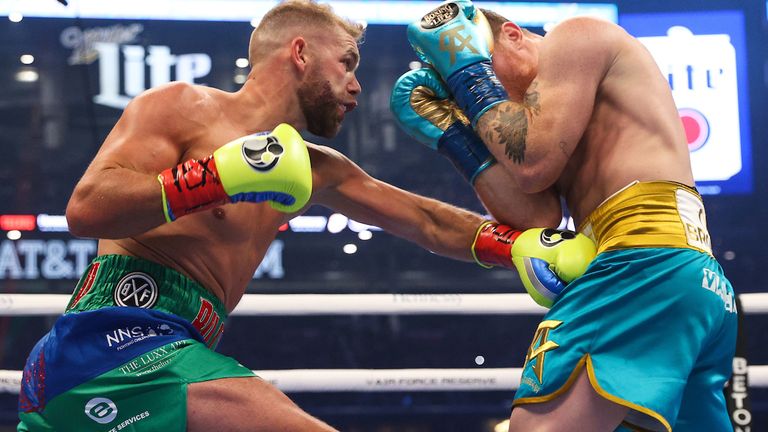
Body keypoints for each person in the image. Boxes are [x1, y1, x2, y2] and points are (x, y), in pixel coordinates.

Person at [16, 1, 595, 431]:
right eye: (346, 63)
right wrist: (214, 178)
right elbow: (87, 208)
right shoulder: (183, 108)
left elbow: (423, 220)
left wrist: (515, 245)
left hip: (176, 349)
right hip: (114, 340)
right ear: (299, 53)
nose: (355, 84)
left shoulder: (317, 168)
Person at [391, 1, 737, 431]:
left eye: (483, 59)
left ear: (513, 36)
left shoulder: (577, 37)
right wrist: (454, 133)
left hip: (641, 264)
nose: (478, 89)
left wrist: (467, 71)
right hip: (683, 278)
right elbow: (537, 216)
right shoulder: (552, 121)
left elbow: (531, 163)